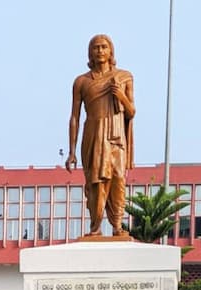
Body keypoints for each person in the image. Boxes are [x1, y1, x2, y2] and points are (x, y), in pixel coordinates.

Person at [66, 34, 135, 237]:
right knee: (96, 182)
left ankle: (117, 226)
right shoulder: (81, 82)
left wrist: (120, 96)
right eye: (96, 47)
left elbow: (131, 112)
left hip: (116, 135)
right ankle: (95, 227)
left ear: (110, 51)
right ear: (90, 52)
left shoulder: (124, 77)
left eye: (104, 47)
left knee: (117, 178)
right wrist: (71, 151)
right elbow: (74, 117)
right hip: (93, 134)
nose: (100, 51)